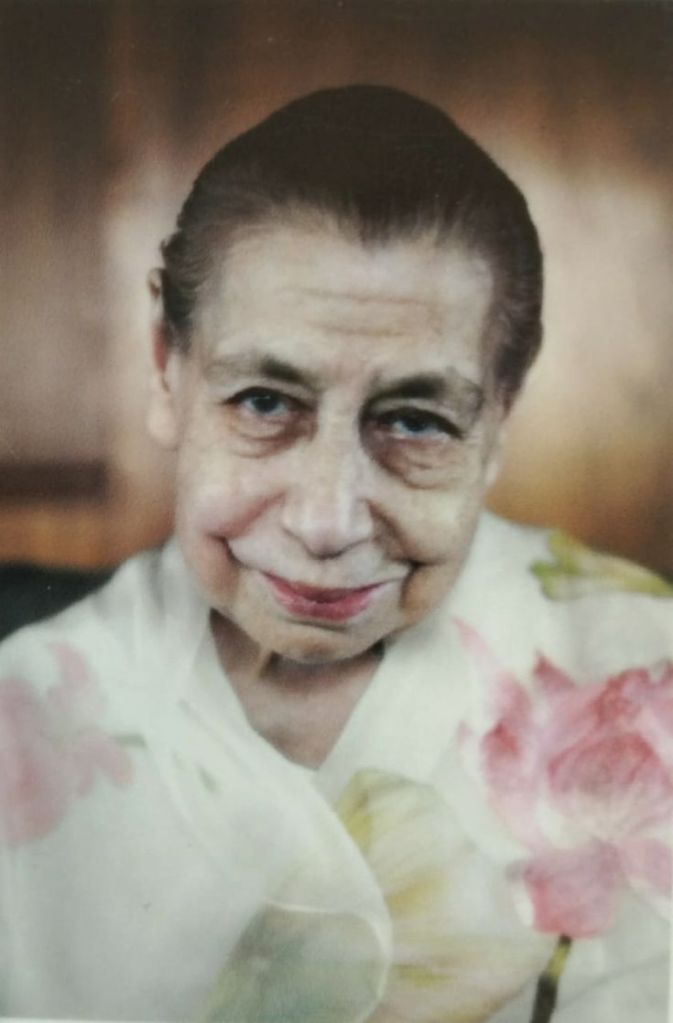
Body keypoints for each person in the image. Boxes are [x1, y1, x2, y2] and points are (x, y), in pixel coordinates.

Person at [0, 85, 671, 1023]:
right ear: (165, 362)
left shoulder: (646, 672)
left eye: (415, 421)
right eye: (265, 403)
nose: (326, 521)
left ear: (500, 411)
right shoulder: (20, 715)